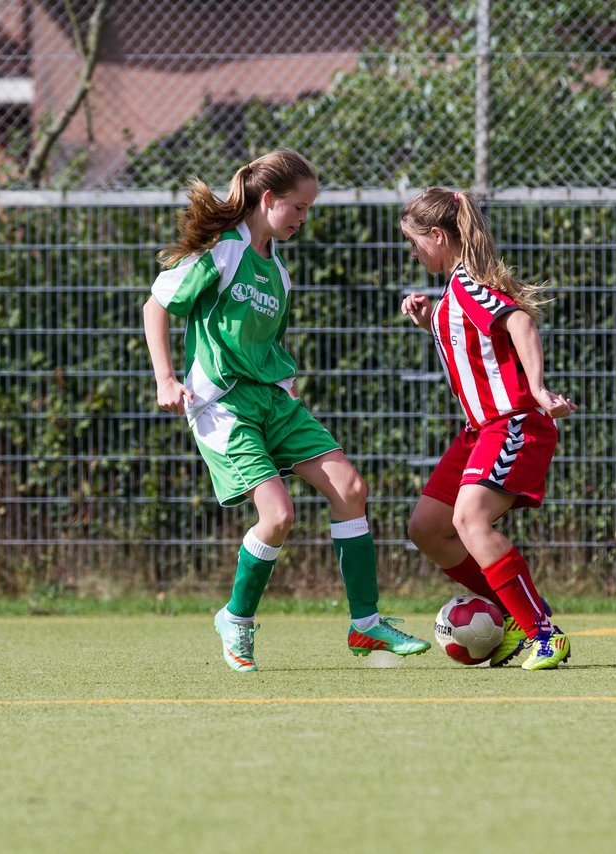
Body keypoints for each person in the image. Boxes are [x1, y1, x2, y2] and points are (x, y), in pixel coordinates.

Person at [143, 149, 430, 672]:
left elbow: (269, 344)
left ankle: (366, 626)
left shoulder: (277, 271)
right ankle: (236, 619)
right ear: (269, 199)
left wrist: (288, 392)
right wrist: (166, 376)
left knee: (351, 490)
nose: (303, 218)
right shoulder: (222, 253)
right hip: (224, 404)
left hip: (274, 400)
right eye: (298, 207)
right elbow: (156, 304)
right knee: (278, 516)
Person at [398, 187, 577, 670]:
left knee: (469, 521)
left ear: (438, 235)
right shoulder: (452, 294)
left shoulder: (468, 285)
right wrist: (426, 319)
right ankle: (514, 613)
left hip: (513, 423)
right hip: (478, 430)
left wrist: (538, 390)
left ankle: (541, 630)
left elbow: (518, 321)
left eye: (415, 243)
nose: (413, 253)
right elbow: (470, 340)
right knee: (427, 529)